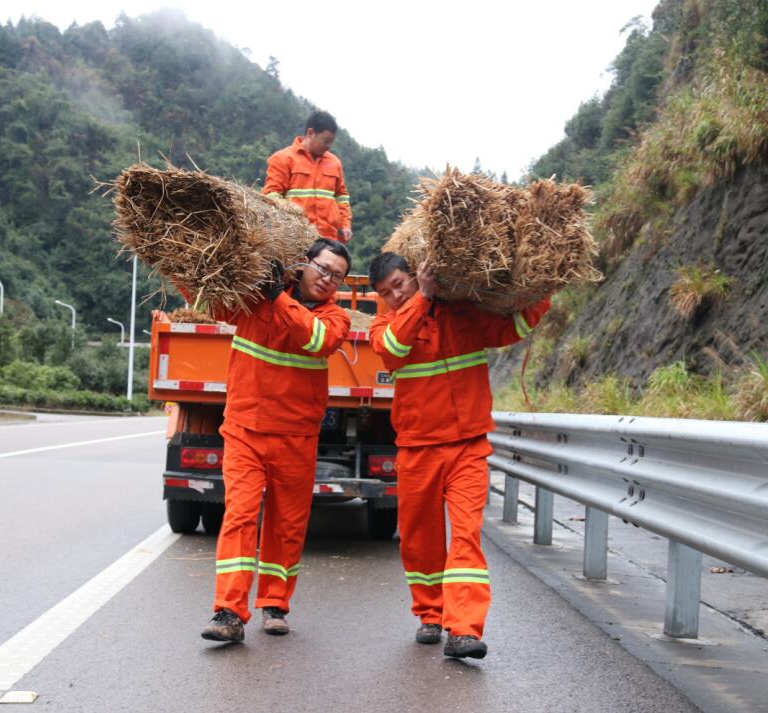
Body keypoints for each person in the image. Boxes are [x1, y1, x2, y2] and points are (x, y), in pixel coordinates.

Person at [367, 252, 550, 659]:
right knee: (419, 540)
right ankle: (430, 615)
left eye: (400, 284)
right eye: (386, 292)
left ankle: (463, 629)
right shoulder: (385, 325)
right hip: (416, 449)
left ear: (415, 274)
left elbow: (510, 328)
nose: (395, 294)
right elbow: (393, 350)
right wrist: (422, 300)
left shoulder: (462, 311)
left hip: (468, 445)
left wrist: (545, 288)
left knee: (466, 536)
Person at [200, 238, 352, 643]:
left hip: (296, 437)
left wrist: (277, 297)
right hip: (246, 430)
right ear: (303, 264)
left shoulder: (336, 318)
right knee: (240, 516)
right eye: (322, 268)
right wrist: (195, 257)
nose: (327, 279)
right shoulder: (254, 299)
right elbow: (208, 296)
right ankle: (228, 612)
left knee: (287, 526)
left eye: (336, 275)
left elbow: (317, 340)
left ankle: (275, 604)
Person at [263, 110, 353, 243]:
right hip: (296, 240)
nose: (329, 146)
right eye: (326, 141)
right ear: (310, 133)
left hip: (329, 240)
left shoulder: (335, 163)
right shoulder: (282, 159)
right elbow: (271, 197)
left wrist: (345, 225)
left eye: (331, 142)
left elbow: (341, 197)